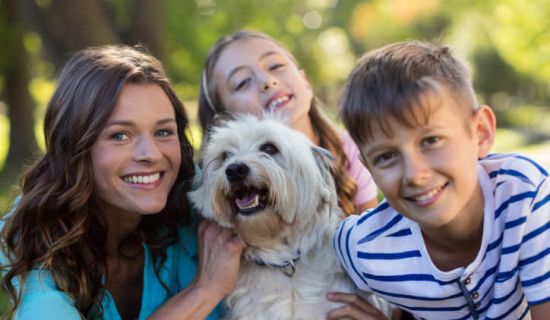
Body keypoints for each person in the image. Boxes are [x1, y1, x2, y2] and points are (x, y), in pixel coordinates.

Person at [0, 45, 244, 319]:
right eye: (120, 136)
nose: (151, 154)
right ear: (76, 147)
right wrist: (205, 289)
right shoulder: (38, 234)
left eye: (163, 131)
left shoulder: (203, 198)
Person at [334, 40, 550, 319]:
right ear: (368, 168)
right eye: (386, 157)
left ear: (481, 133)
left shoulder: (526, 197)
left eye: (431, 140)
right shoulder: (364, 248)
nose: (415, 174)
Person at [198, 30, 378, 215]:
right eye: (242, 82)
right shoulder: (224, 189)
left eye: (275, 66)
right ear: (225, 122)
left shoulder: (350, 151)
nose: (267, 81)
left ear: (306, 82)